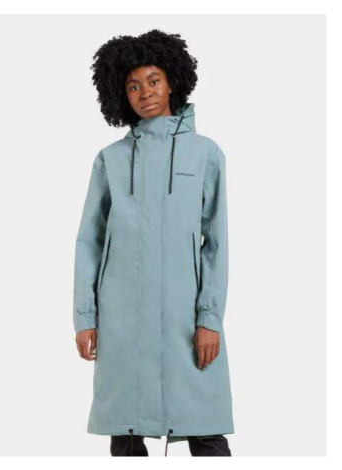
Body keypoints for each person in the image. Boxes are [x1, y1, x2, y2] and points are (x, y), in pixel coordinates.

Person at [73, 29, 233, 457]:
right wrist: (85, 318)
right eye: (132, 85)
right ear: (119, 94)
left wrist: (209, 319)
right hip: (121, 320)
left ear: (172, 81)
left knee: (206, 431)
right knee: (126, 434)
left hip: (185, 320)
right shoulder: (110, 159)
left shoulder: (205, 154)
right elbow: (89, 241)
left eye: (153, 80)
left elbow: (216, 243)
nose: (144, 92)